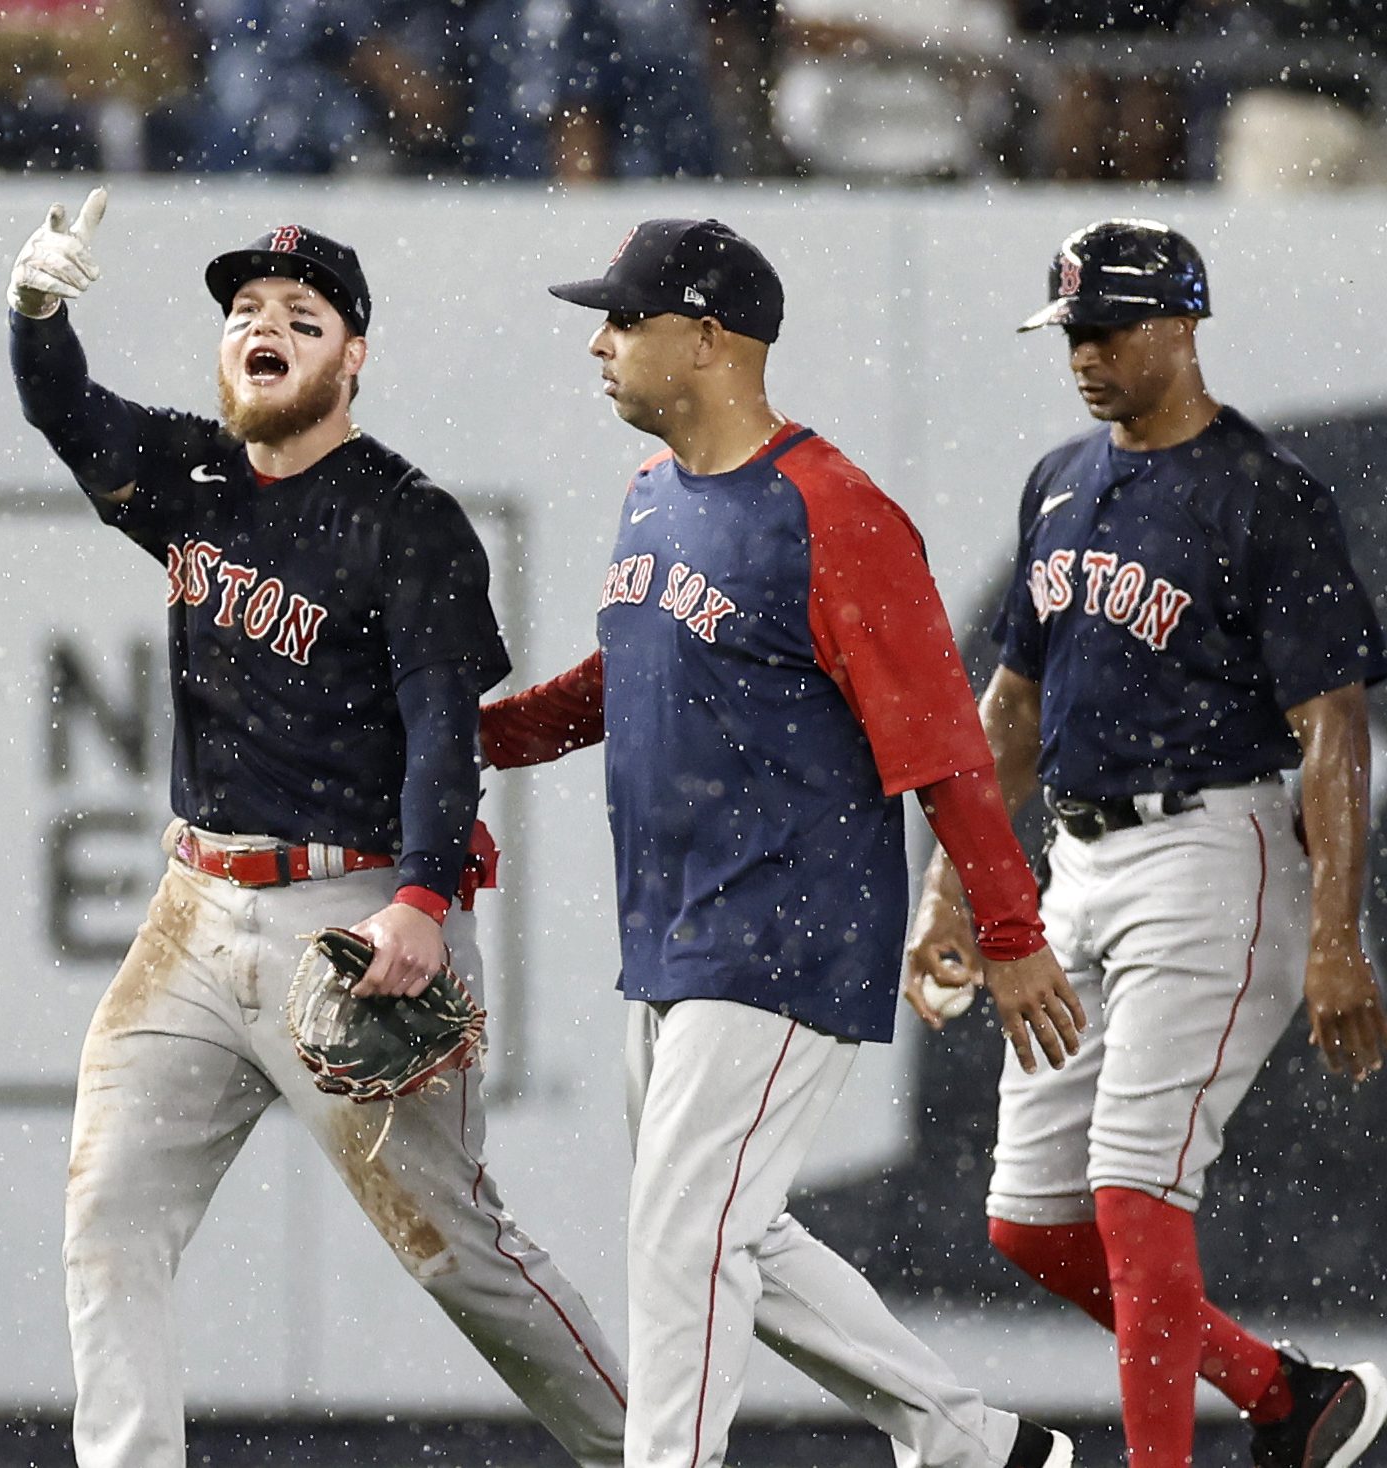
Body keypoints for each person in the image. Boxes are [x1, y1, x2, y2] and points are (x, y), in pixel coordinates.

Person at [2, 191, 629, 1468]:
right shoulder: (190, 470)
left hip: (351, 917)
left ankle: (656, 1453)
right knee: (109, 1213)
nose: (265, 327)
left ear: (353, 355)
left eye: (302, 314)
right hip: (192, 911)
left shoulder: (408, 519)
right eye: (243, 312)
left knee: (458, 1252)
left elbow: (444, 727)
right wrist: (34, 314)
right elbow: (62, 410)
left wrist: (421, 899)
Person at [480, 216, 1083, 1468]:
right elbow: (625, 673)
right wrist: (484, 735)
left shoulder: (837, 513)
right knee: (728, 1230)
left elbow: (946, 753)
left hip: (785, 927)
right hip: (680, 930)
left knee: (682, 1234)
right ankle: (976, 1445)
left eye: (622, 319)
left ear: (706, 338)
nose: (598, 343)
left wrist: (1008, 928)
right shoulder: (655, 494)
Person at [902, 218, 1387, 1468]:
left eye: (1108, 326)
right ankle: (1283, 1397)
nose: (1083, 351)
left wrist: (1336, 936)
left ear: (1181, 325)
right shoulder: (1061, 479)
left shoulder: (1265, 493)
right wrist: (955, 886)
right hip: (1078, 860)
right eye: (1070, 328)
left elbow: (1332, 726)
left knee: (1130, 1190)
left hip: (1213, 848)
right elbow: (1011, 710)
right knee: (1031, 1220)